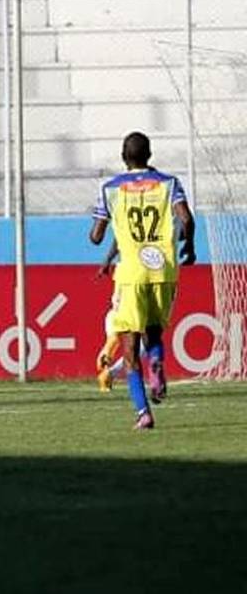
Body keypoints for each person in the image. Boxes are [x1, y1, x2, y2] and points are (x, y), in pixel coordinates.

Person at [89, 131, 196, 430]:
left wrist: (101, 231)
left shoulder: (111, 189)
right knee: (154, 334)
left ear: (123, 157)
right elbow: (186, 219)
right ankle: (157, 367)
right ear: (149, 155)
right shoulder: (169, 183)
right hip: (163, 269)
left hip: (131, 273)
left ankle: (143, 414)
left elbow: (96, 236)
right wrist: (190, 246)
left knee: (129, 347)